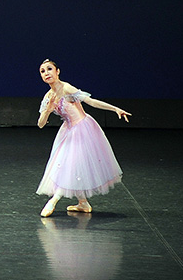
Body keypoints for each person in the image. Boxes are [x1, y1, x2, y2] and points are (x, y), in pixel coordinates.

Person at [36, 59, 131, 217]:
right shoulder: (48, 96)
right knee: (68, 165)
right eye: (42, 71)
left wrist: (115, 109)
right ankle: (83, 203)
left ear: (57, 71)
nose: (46, 73)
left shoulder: (67, 88)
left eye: (49, 69)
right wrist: (47, 110)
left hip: (82, 129)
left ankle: (54, 200)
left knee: (71, 164)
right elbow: (40, 124)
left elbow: (91, 102)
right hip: (68, 131)